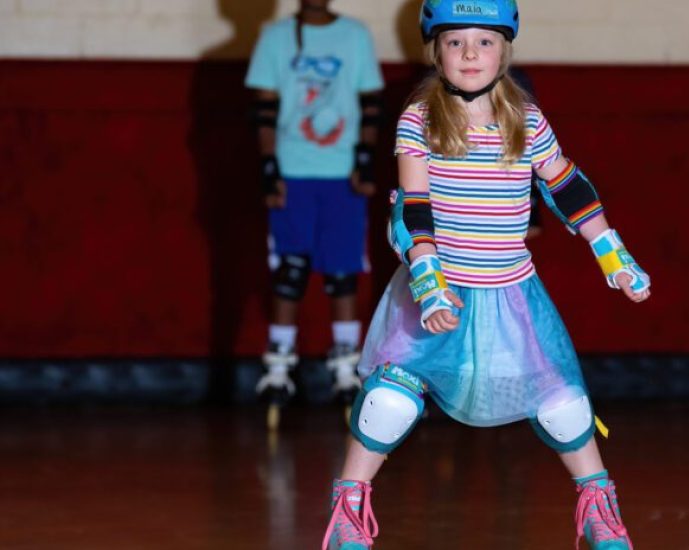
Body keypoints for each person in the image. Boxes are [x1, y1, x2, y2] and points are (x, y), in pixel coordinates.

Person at [320, 1, 651, 548]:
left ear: (506, 50)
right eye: (455, 42)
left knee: (565, 406)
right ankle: (348, 514)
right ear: (435, 51)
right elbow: (413, 208)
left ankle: (598, 510)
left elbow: (566, 186)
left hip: (511, 293)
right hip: (438, 286)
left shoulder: (526, 117)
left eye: (485, 41)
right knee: (389, 403)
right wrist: (428, 282)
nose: (470, 53)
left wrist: (612, 254)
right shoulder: (420, 117)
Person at [245, 0, 384, 429]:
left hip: (341, 174)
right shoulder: (274, 37)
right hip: (294, 170)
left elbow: (370, 105)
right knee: (290, 269)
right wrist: (269, 170)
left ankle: (346, 366)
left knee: (342, 272)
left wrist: (364, 163)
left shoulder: (356, 35)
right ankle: (279, 366)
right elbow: (264, 110)